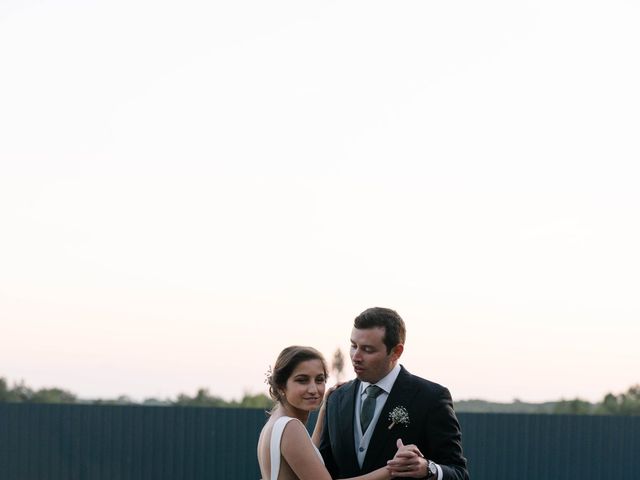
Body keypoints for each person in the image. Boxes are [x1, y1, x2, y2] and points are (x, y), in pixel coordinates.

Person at [319, 307, 469, 480]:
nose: (356, 356)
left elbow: (459, 473)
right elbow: (323, 469)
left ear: (396, 352)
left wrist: (429, 469)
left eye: (368, 350)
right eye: (353, 346)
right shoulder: (337, 398)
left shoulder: (431, 398)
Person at [257, 345, 422, 480]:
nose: (314, 389)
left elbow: (308, 458)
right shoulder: (290, 427)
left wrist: (324, 411)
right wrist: (393, 468)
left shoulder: (276, 423)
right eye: (302, 380)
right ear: (280, 385)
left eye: (319, 380)